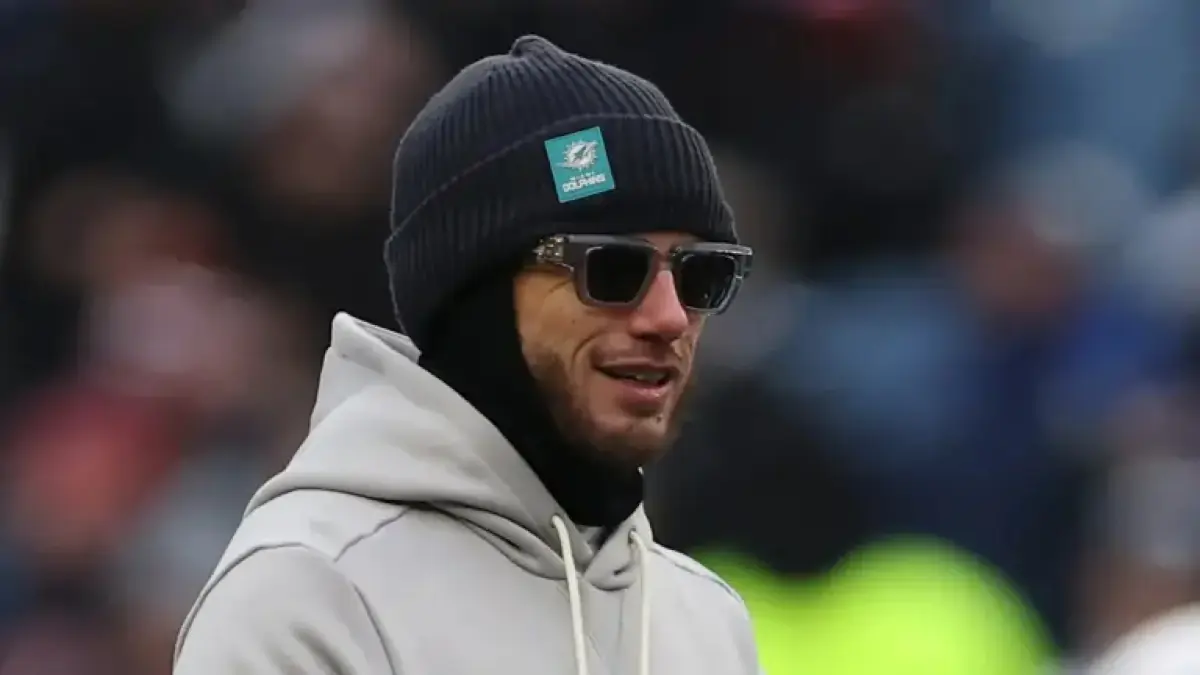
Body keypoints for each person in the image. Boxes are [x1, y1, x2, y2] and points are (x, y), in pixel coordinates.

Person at [173, 35, 760, 675]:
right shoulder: (306, 597)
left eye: (701, 275)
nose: (670, 317)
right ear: (477, 294)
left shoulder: (706, 619)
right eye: (613, 269)